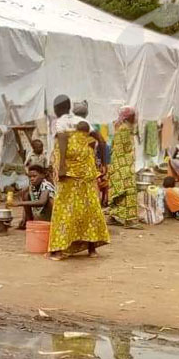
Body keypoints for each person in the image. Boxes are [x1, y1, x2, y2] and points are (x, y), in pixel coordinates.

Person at [48, 95, 110, 260]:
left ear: (56, 109)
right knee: (90, 208)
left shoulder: (60, 122)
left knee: (64, 210)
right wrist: (104, 164)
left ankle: (59, 251)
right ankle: (92, 250)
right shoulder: (84, 123)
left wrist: (61, 167)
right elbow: (102, 141)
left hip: (69, 174)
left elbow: (62, 141)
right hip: (87, 173)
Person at [108, 106, 139, 227]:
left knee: (118, 190)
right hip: (123, 165)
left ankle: (113, 216)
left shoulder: (122, 128)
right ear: (129, 116)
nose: (135, 118)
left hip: (120, 164)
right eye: (133, 115)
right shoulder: (124, 129)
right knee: (129, 191)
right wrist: (127, 167)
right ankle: (129, 220)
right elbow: (121, 151)